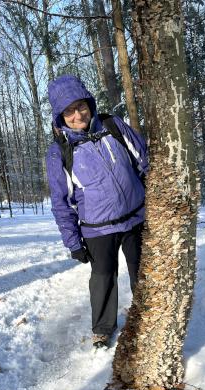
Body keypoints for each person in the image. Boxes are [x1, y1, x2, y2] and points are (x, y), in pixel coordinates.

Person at [46, 74, 148, 348]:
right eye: (68, 111)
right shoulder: (60, 152)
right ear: (60, 117)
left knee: (143, 271)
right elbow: (61, 202)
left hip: (137, 218)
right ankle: (103, 328)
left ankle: (149, 316)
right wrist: (73, 242)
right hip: (98, 229)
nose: (77, 114)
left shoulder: (114, 126)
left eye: (80, 106)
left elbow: (143, 160)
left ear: (89, 104)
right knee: (103, 278)